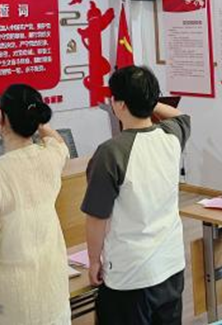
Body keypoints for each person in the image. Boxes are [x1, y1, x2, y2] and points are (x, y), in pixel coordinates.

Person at [81, 66, 190, 325]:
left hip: (130, 275)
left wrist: (94, 261)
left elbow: (97, 218)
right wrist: (149, 101)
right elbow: (181, 115)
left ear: (119, 104)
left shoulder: (111, 152)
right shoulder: (172, 134)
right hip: (171, 266)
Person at [0, 84, 71, 325]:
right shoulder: (51, 157)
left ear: (1, 118)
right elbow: (59, 143)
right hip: (54, 296)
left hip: (10, 307)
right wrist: (39, 124)